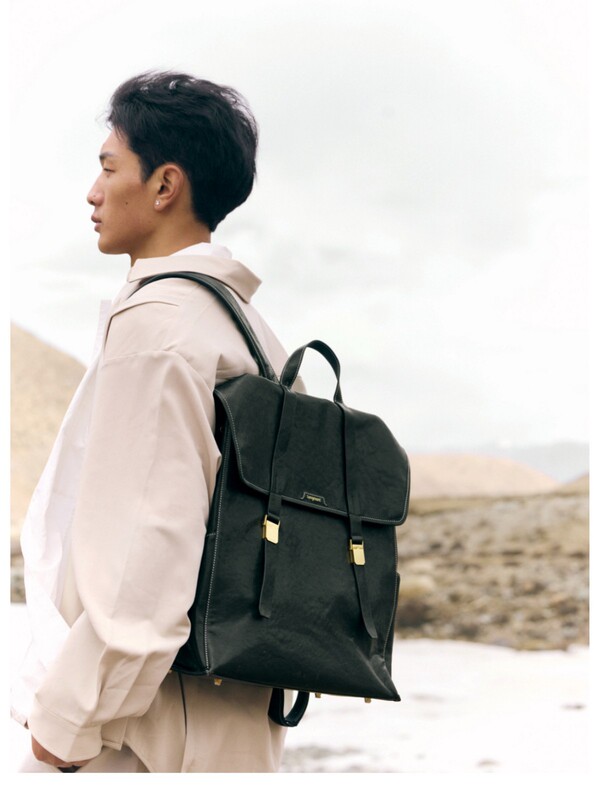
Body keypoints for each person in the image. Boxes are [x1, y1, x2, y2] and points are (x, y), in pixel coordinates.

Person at [12, 70, 292, 773]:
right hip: (237, 717)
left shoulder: (159, 326)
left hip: (146, 736)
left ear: (165, 186)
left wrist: (63, 730)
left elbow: (147, 558)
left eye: (110, 168)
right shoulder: (255, 334)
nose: (93, 191)